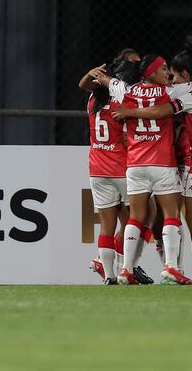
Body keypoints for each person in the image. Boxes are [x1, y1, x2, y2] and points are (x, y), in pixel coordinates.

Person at [92, 53, 192, 285]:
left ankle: (125, 269)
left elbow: (108, 82)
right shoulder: (167, 92)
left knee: (135, 217)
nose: (167, 72)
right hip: (162, 164)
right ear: (151, 72)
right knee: (171, 215)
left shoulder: (126, 91)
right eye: (163, 68)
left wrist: (99, 76)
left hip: (135, 165)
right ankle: (171, 267)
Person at [79, 50, 140, 284]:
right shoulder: (121, 101)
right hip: (122, 168)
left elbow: (83, 85)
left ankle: (109, 276)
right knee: (131, 221)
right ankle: (127, 270)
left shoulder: (93, 101)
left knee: (106, 225)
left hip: (97, 168)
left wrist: (89, 74)